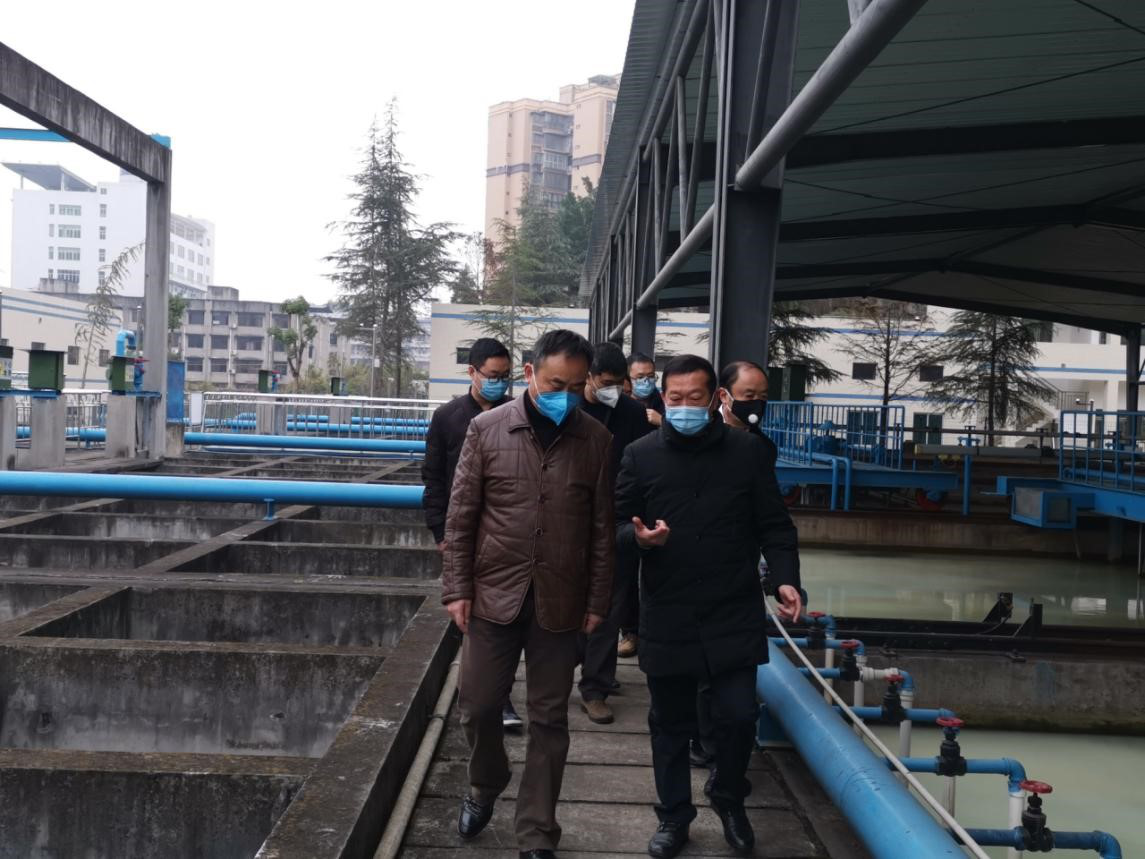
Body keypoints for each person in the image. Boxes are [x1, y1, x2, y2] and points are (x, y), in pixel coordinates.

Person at [615, 354, 802, 859]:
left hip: (732, 608)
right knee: (669, 723)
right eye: (673, 398)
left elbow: (775, 526)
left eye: (693, 398)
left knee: (739, 716)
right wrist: (639, 539)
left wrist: (786, 580)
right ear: (663, 398)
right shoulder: (640, 455)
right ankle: (674, 815)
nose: (683, 406)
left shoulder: (749, 452)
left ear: (715, 397)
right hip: (669, 610)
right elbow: (614, 526)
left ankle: (729, 797)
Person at [442, 329, 615, 859]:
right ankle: (485, 783)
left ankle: (537, 831)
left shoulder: (596, 440)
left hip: (561, 600)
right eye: (556, 384)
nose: (566, 395)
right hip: (493, 592)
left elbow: (601, 530)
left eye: (576, 386)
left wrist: (598, 602)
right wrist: (457, 588)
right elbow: (461, 516)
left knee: (549, 719)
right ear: (530, 374)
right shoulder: (486, 429)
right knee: (478, 706)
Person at [422, 337, 524, 730]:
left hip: (504, 534)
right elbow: (433, 479)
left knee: (503, 619)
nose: (499, 383)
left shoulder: (517, 414)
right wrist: (441, 532)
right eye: (492, 375)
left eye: (505, 376)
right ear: (472, 372)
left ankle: (499, 698)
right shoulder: (448, 417)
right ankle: (484, 698)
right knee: (470, 617)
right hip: (462, 533)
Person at [578, 341, 653, 725]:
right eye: (605, 383)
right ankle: (570, 669)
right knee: (566, 605)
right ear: (589, 377)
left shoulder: (632, 413)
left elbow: (642, 468)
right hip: (571, 523)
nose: (613, 390)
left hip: (618, 522)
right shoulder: (569, 408)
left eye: (618, 383)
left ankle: (596, 688)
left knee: (610, 609)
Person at [621, 350, 664, 659]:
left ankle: (655, 631)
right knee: (625, 570)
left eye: (651, 376)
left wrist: (663, 422)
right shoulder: (622, 408)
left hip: (660, 496)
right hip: (630, 496)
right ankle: (630, 631)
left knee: (660, 568)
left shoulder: (665, 406)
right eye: (640, 377)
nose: (646, 381)